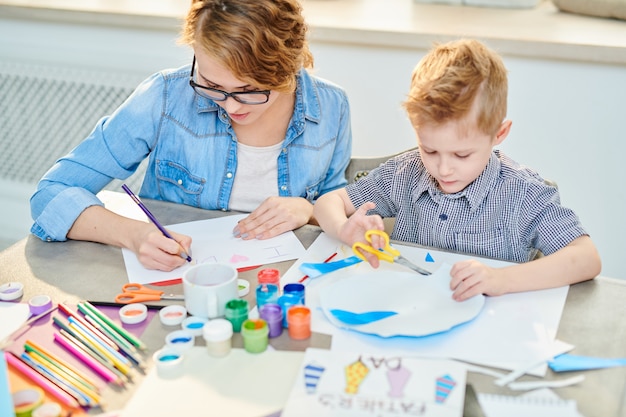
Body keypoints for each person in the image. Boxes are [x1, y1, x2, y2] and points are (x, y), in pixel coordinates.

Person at [29, 0, 352, 272]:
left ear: (288, 65)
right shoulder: (167, 95)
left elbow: (338, 198)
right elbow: (52, 193)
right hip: (176, 275)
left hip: (282, 278)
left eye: (249, 90)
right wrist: (134, 235)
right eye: (212, 85)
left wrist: (307, 209)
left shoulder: (331, 105)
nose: (229, 105)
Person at [314, 39, 601, 301]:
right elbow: (329, 202)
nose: (443, 168)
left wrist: (501, 279)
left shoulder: (523, 194)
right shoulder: (404, 174)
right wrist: (345, 230)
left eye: (462, 154)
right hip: (413, 315)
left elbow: (587, 258)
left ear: (499, 134)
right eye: (430, 150)